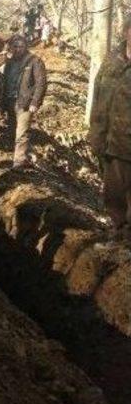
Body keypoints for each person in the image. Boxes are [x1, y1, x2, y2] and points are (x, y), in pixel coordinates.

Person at [89, 17, 131, 240]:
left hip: (128, 141)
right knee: (113, 193)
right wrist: (95, 131)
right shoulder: (111, 61)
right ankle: (118, 232)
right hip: (108, 139)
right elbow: (97, 96)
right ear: (126, 32)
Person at [1, 34, 47, 169]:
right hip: (10, 101)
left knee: (22, 132)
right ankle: (14, 156)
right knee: (12, 129)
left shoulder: (35, 61)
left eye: (21, 46)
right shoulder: (9, 62)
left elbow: (41, 83)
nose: (18, 49)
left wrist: (35, 102)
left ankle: (19, 161)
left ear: (26, 47)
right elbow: (3, 79)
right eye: (15, 47)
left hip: (25, 103)